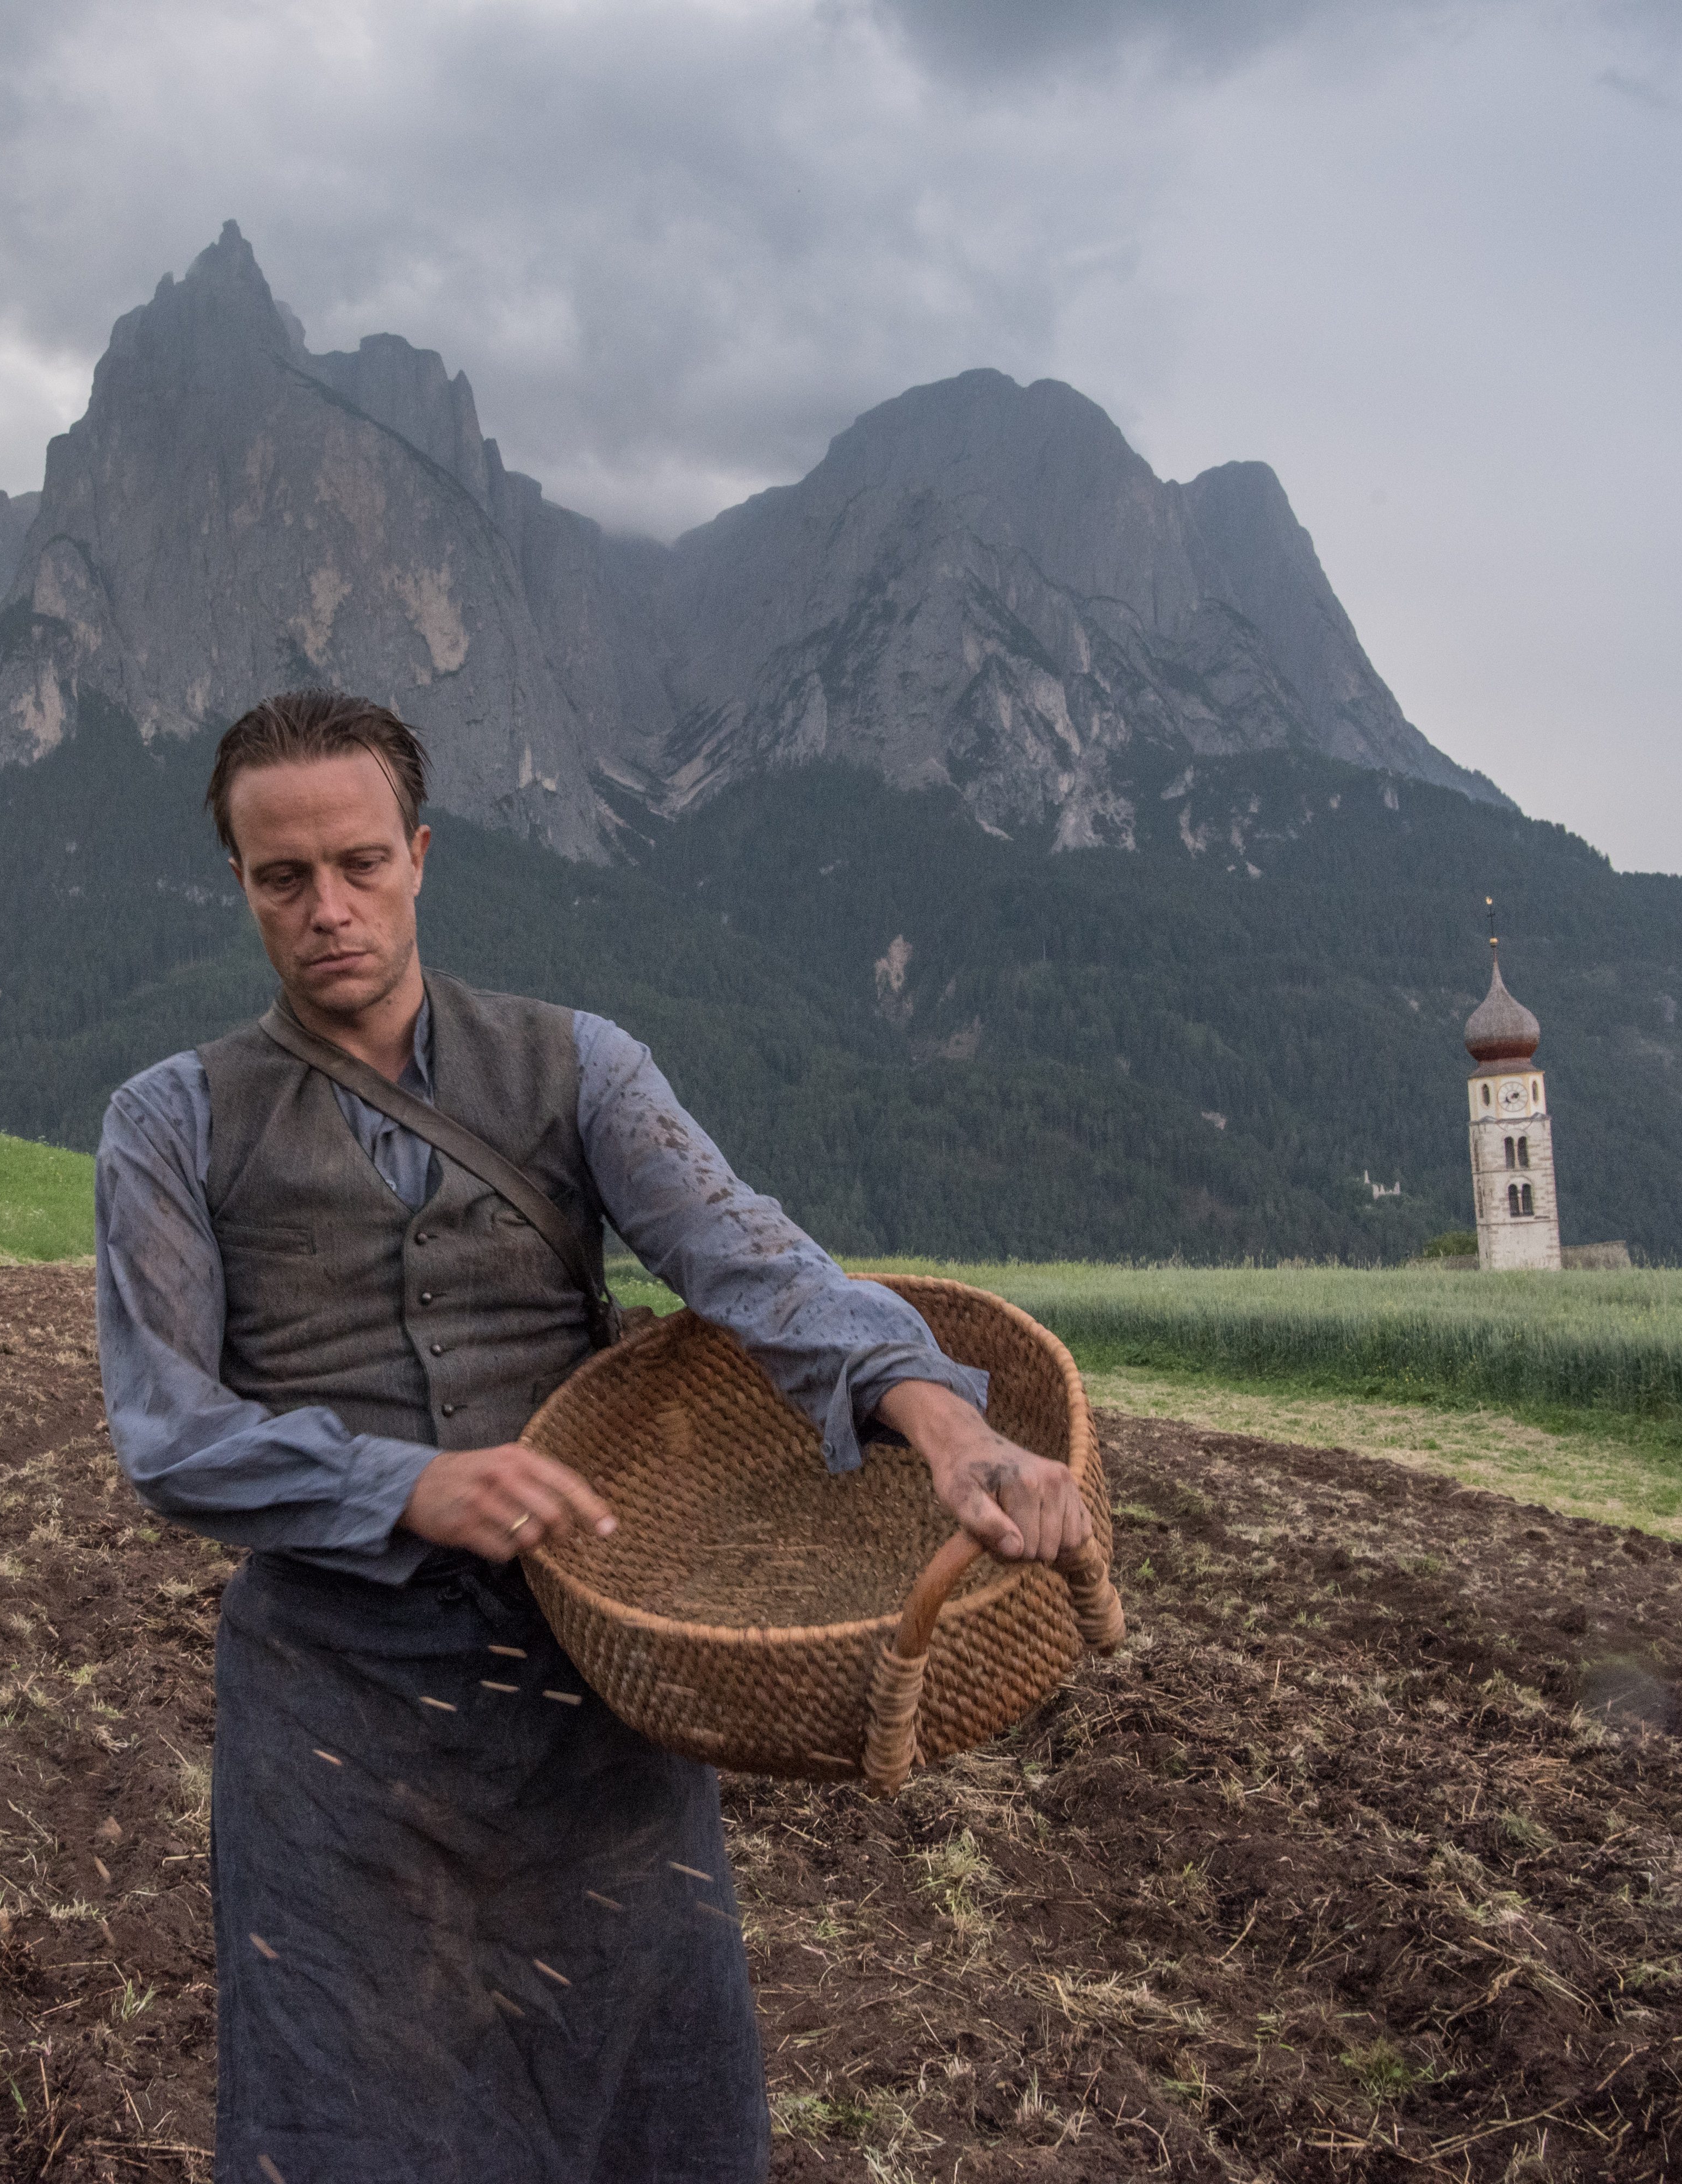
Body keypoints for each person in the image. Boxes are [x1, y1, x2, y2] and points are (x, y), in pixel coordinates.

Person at [95, 688, 1092, 2183]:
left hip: (589, 1678)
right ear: (237, 884)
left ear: (421, 855)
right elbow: (166, 1432)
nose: (330, 910)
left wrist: (947, 1429)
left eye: (361, 864)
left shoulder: (580, 1067)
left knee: (647, 2105)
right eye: (283, 877)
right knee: (350, 2124)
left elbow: (756, 1264)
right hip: (332, 1715)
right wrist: (408, 1485)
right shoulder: (170, 1122)